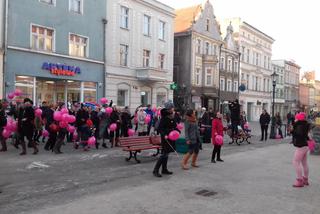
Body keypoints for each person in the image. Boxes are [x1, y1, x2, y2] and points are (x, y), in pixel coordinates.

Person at [153, 101, 178, 178]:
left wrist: (177, 130)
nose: (173, 109)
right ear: (168, 108)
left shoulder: (172, 116)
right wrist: (165, 135)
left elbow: (174, 126)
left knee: (166, 154)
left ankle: (164, 169)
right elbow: (160, 128)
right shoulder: (164, 117)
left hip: (171, 137)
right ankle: (155, 170)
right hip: (166, 138)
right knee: (164, 154)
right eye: (171, 108)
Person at [291, 112, 311, 187]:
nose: (295, 119)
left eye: (296, 118)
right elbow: (305, 135)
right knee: (304, 163)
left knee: (295, 162)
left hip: (301, 146)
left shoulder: (299, 126)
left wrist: (292, 131)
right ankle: (305, 179)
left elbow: (299, 135)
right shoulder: (305, 125)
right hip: (305, 146)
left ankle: (299, 180)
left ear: (299, 119)